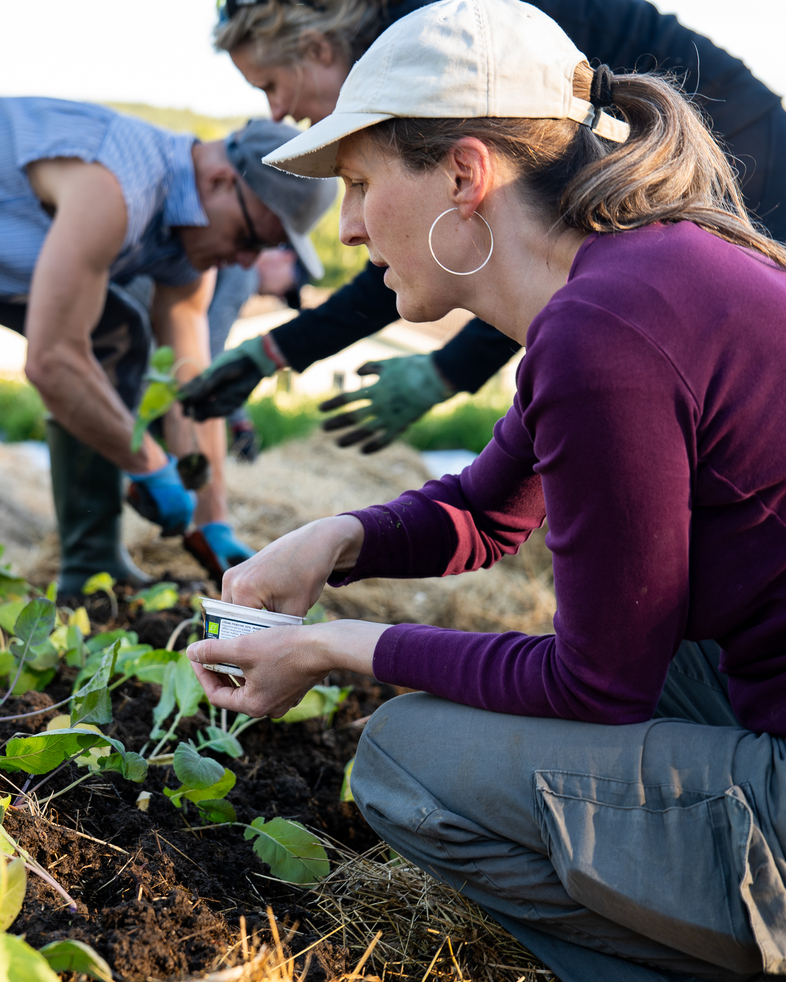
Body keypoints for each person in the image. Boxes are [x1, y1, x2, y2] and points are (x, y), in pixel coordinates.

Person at [186, 0, 786, 979]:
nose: (344, 230)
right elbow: (487, 509)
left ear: (464, 174)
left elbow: (596, 687)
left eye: (359, 183)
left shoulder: (603, 334)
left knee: (401, 758)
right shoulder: (639, 273)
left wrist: (337, 647)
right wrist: (333, 540)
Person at [180, 0, 786, 455]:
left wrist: (450, 369)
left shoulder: (452, 41)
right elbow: (440, 239)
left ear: (315, 49)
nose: (276, 112)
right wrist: (278, 350)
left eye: (271, 85)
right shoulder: (426, 62)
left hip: (738, 158)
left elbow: (515, 234)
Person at [0, 99, 336, 593]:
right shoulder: (118, 186)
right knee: (92, 343)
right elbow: (52, 363)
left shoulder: (186, 251)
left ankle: (91, 569)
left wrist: (213, 519)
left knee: (115, 333)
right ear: (221, 180)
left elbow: (191, 386)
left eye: (260, 251)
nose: (245, 263)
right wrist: (151, 466)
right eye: (246, 237)